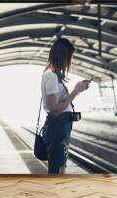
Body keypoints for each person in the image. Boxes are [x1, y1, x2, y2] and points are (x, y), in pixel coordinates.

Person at [41, 38, 90, 174]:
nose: (70, 62)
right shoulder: (51, 77)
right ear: (63, 57)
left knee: (60, 167)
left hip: (60, 126)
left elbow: (58, 104)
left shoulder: (52, 76)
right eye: (69, 58)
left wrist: (78, 89)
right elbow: (55, 109)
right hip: (58, 126)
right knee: (57, 169)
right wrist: (75, 91)